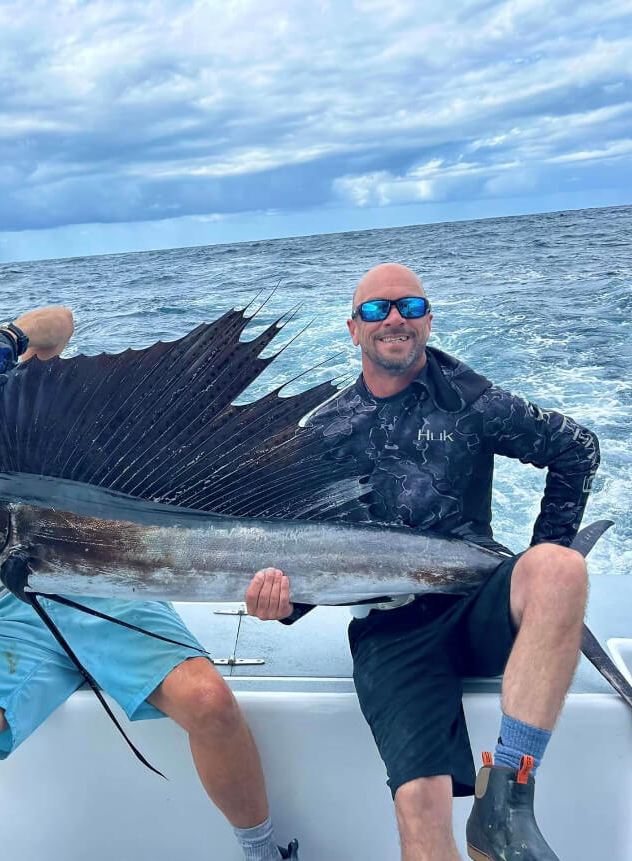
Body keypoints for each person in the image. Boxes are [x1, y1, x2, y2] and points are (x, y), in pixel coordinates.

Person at [0, 308, 298, 861]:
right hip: (11, 612)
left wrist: (10, 337)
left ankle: (264, 852)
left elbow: (59, 324)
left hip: (108, 585)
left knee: (210, 703)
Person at [245, 264, 600, 861]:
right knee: (420, 811)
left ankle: (505, 802)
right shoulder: (326, 432)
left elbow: (577, 448)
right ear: (353, 329)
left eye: (410, 308)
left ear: (428, 322)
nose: (394, 320)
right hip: (393, 629)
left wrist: (547, 545)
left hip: (479, 603)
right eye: (378, 310)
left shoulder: (472, 400)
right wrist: (281, 603)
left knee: (560, 568)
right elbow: (312, 554)